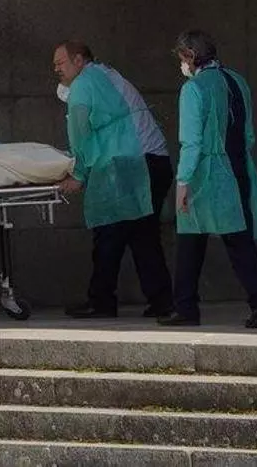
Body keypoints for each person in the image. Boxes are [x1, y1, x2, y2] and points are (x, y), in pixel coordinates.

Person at [158, 30, 257, 328]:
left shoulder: (194, 89)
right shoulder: (237, 81)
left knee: (194, 236)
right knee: (232, 237)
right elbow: (248, 132)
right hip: (239, 167)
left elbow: (191, 142)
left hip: (207, 173)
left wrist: (183, 182)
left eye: (182, 58)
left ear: (190, 56)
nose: (181, 64)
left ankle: (188, 306)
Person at [53, 41, 174, 319]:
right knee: (142, 234)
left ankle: (102, 301)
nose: (56, 69)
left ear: (79, 60)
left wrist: (79, 174)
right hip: (152, 160)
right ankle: (161, 300)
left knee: (109, 232)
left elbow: (80, 134)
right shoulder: (108, 75)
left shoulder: (83, 84)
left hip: (130, 163)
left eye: (61, 62)